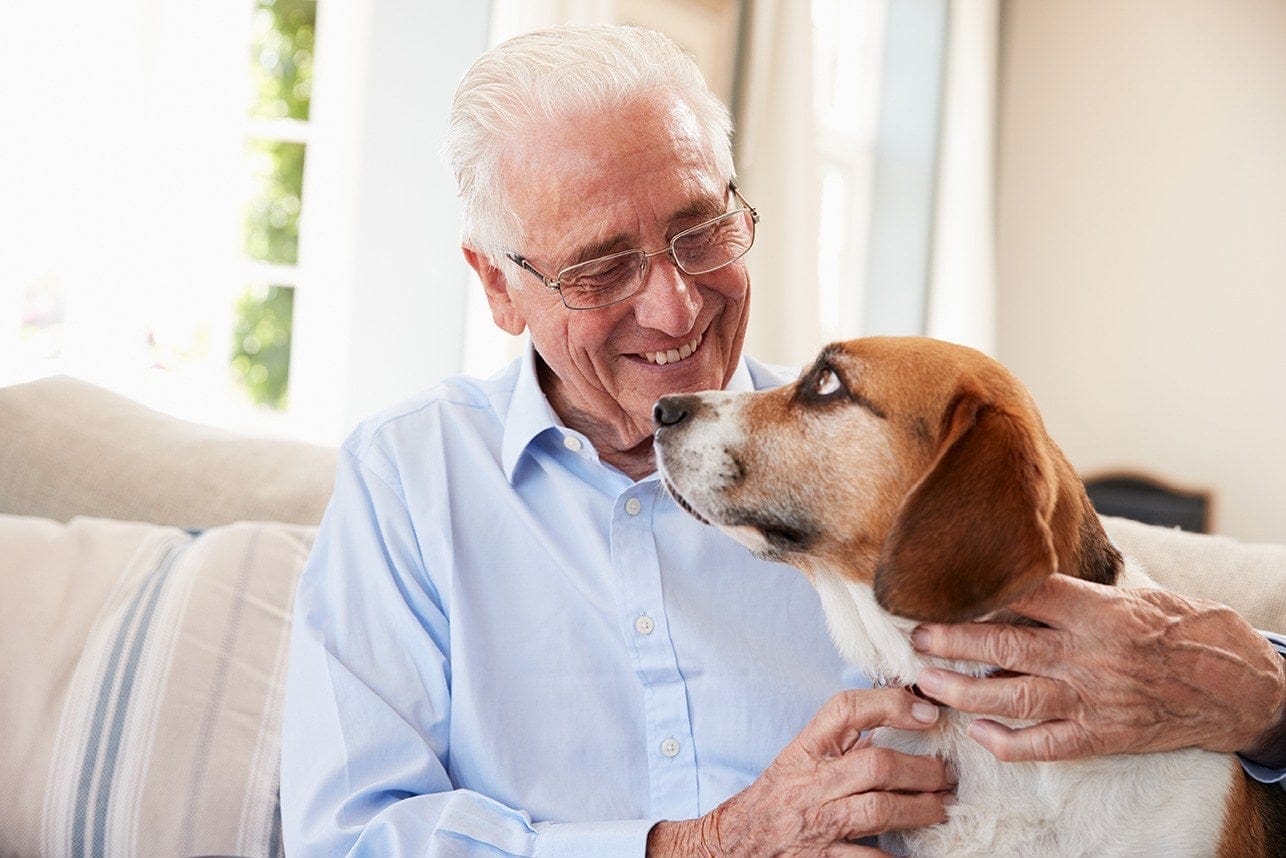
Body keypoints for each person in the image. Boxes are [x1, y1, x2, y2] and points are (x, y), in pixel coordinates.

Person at [280, 24, 1285, 856]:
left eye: (699, 231)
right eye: (599, 268)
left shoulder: (864, 469)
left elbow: (1103, 616)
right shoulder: (408, 481)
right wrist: (705, 844)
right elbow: (348, 836)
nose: (674, 309)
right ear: (498, 286)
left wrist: (1266, 697)